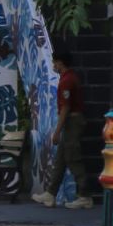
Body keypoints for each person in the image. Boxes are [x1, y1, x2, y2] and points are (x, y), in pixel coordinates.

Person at [32, 50, 92, 209]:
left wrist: (57, 131)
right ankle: (50, 193)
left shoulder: (66, 81)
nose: (54, 65)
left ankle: (84, 195)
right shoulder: (70, 78)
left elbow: (65, 107)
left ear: (61, 63)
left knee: (73, 158)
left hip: (72, 121)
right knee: (60, 160)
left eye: (55, 62)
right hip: (72, 120)